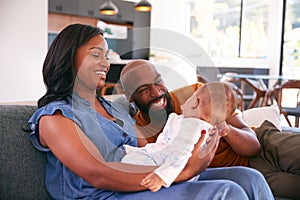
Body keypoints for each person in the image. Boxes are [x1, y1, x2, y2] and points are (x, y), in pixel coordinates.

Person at [28, 24, 274, 200]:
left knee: (248, 178)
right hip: (105, 195)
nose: (105, 63)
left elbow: (152, 150)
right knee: (227, 193)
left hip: (143, 184)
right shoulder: (55, 117)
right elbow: (98, 174)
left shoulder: (115, 109)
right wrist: (180, 173)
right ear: (69, 58)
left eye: (106, 55)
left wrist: (195, 136)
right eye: (96, 54)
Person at [120, 59, 300, 199]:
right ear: (129, 96)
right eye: (143, 89)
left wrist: (224, 129)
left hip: (265, 140)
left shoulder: (198, 94)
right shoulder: (142, 131)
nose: (156, 92)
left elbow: (254, 145)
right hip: (243, 172)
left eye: (158, 81)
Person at [122, 82, 238, 192]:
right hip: (169, 163)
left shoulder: (192, 127)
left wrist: (161, 177)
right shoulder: (195, 124)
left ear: (195, 102)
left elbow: (180, 154)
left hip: (170, 169)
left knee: (127, 162)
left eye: (191, 97)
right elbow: (164, 144)